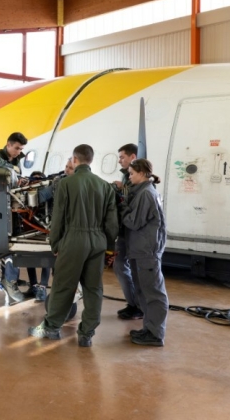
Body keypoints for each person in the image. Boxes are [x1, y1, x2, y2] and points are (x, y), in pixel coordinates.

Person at [28, 144, 119, 347]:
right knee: (94, 288)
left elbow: (58, 218)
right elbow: (112, 224)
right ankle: (87, 333)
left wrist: (56, 244)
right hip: (98, 242)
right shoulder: (105, 186)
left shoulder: (66, 184)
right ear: (91, 160)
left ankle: (51, 328)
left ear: (74, 160)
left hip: (73, 240)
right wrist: (109, 248)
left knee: (63, 286)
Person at [121, 158, 168, 346]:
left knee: (154, 293)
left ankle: (156, 334)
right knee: (143, 292)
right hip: (140, 249)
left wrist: (122, 208)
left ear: (142, 173)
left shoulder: (146, 194)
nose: (129, 177)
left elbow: (133, 221)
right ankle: (149, 329)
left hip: (146, 251)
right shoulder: (143, 192)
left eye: (131, 173)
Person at [0, 132, 29, 303]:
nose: (19, 152)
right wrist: (15, 170)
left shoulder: (15, 161)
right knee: (10, 244)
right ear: (8, 145)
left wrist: (20, 180)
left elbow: (14, 178)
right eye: (17, 148)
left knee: (15, 243)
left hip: (10, 208)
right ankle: (9, 281)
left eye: (21, 149)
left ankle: (11, 277)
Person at [22, 158, 74, 301]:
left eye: (70, 168)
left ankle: (43, 287)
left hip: (52, 229)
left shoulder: (58, 184)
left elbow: (42, 197)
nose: (66, 170)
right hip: (36, 228)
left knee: (48, 258)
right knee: (29, 258)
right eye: (66, 166)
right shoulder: (58, 182)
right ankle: (34, 286)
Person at [111, 143, 144, 320]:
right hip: (126, 231)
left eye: (122, 157)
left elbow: (132, 203)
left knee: (124, 267)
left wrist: (122, 191)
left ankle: (137, 305)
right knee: (121, 266)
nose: (119, 161)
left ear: (133, 157)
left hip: (131, 231)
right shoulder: (127, 178)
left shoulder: (143, 186)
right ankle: (134, 304)